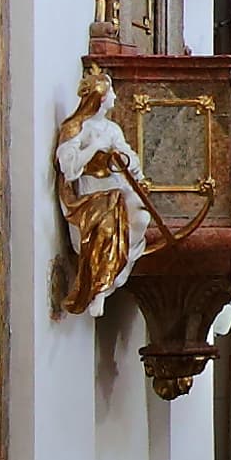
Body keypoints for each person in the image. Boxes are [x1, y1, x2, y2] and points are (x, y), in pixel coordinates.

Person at [52, 64, 150, 318]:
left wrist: (131, 162)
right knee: (107, 230)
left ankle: (114, 274)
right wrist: (93, 147)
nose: (116, 98)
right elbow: (69, 168)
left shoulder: (112, 129)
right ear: (101, 98)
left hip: (115, 186)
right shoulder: (76, 128)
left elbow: (126, 154)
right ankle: (101, 289)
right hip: (90, 191)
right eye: (112, 94)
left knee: (142, 217)